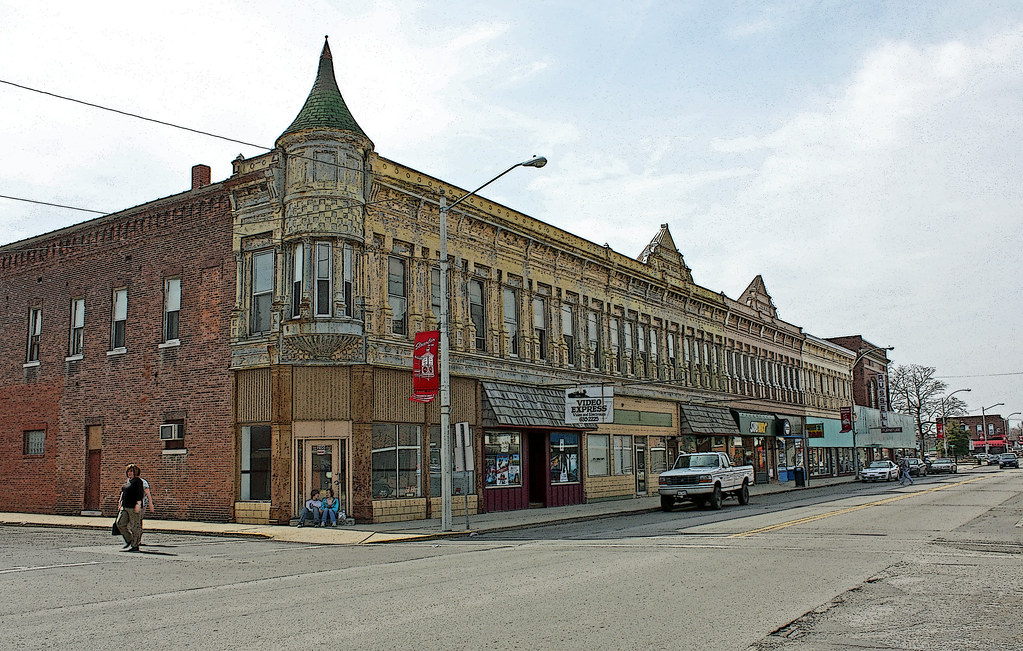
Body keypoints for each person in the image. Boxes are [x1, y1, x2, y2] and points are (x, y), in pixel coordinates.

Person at [116, 463, 145, 551]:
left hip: (133, 506)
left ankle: (135, 545)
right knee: (120, 523)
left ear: (135, 472)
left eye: (131, 471)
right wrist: (120, 502)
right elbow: (123, 492)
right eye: (128, 471)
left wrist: (138, 504)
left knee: (135, 526)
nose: (129, 473)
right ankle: (129, 539)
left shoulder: (138, 481)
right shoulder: (128, 481)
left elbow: (140, 494)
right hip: (125, 506)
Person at [138, 473, 156, 545]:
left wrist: (150, 504)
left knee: (138, 521)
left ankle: (138, 540)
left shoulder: (143, 482)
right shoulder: (129, 482)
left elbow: (148, 494)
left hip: (141, 505)